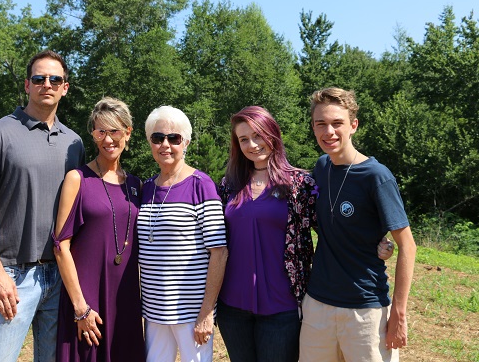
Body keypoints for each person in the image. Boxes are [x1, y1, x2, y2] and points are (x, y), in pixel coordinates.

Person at [216, 106, 395, 362]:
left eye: (258, 135)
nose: (252, 144)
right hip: (232, 306)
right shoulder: (228, 186)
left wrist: (378, 242)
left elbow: (335, 228)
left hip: (282, 306)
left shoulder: (300, 185)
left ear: (272, 135)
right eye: (244, 139)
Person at [0, 50, 85, 361]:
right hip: (12, 277)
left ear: (65, 88)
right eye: (39, 78)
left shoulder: (74, 143)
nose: (47, 84)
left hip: (59, 278)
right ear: (27, 85)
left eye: (55, 79)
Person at [300, 87, 417, 362]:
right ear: (314, 127)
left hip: (365, 311)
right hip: (318, 306)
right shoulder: (321, 168)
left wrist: (399, 314)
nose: (328, 131)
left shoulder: (376, 176)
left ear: (353, 125)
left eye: (337, 123)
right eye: (321, 124)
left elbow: (408, 246)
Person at [52, 97, 145, 362]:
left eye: (115, 130)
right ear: (93, 134)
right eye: (100, 131)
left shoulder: (137, 185)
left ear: (128, 132)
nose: (108, 139)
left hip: (125, 299)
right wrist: (80, 308)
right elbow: (61, 247)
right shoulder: (77, 179)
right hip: (86, 299)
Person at [136, 106, 228, 362]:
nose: (165, 144)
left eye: (173, 138)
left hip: (191, 312)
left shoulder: (201, 185)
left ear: (185, 142)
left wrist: (206, 312)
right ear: (149, 142)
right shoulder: (147, 189)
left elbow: (219, 252)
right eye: (157, 138)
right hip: (154, 311)